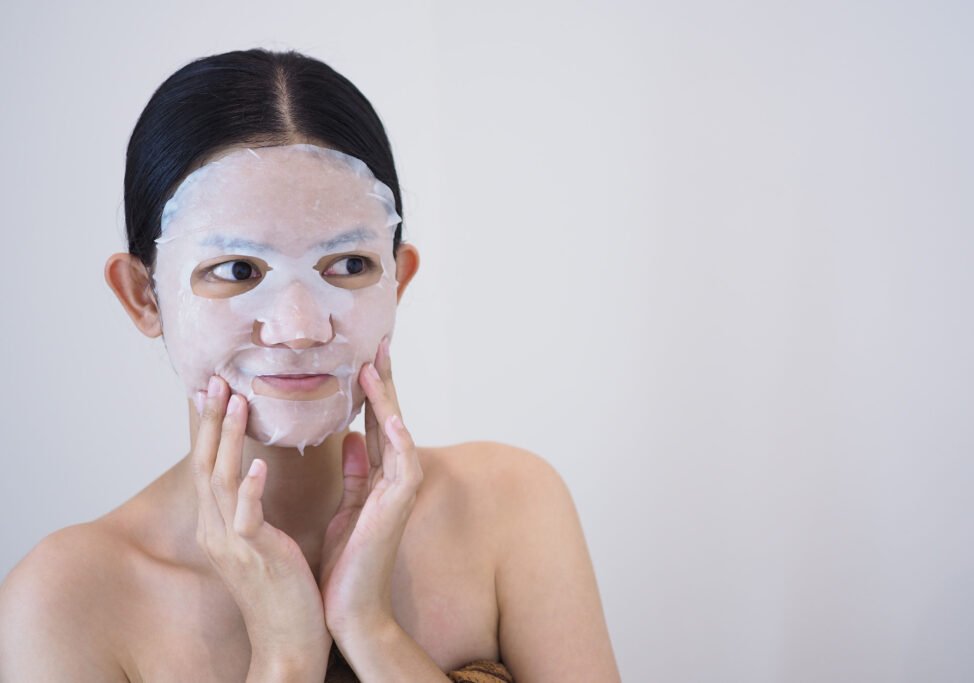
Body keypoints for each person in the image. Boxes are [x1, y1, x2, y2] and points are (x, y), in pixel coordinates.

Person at [0, 48, 620, 683]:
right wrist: (285, 656)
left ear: (398, 281)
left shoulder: (509, 505)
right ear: (143, 295)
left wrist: (368, 625)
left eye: (349, 265)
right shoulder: (65, 601)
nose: (299, 330)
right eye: (237, 271)